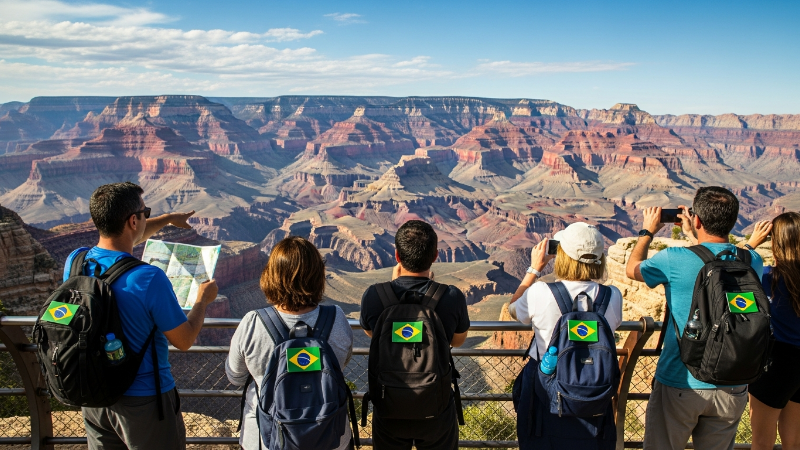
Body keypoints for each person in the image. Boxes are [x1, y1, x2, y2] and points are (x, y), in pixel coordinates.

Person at [66, 181, 218, 449]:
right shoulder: (148, 278)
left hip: (94, 395)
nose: (146, 217)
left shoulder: (76, 261)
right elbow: (184, 340)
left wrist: (169, 219)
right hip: (145, 401)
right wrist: (202, 301)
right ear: (133, 221)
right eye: (144, 212)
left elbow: (130, 236)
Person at [625, 187, 763, 450]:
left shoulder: (673, 259)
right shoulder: (752, 260)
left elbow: (632, 269)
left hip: (681, 380)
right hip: (732, 383)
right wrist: (694, 234)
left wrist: (647, 232)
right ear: (733, 221)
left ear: (697, 219)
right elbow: (716, 258)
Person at [226, 236, 354, 450]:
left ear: (271, 276)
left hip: (265, 441)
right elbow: (341, 363)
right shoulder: (337, 318)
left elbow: (235, 377)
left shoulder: (253, 322)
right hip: (330, 438)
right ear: (318, 276)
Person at [509, 222, 623, 448]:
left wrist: (534, 269)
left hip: (545, 385)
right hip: (594, 385)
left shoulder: (540, 292)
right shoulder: (613, 296)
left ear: (562, 256)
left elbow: (514, 308)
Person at [359, 220, 469, 450]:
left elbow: (373, 335)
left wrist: (391, 287)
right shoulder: (451, 296)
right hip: (435, 411)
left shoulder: (373, 296)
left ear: (397, 256)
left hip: (389, 408)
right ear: (436, 255)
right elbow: (457, 341)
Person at [746, 213, 800, 450]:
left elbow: (724, 266)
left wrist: (751, 244)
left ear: (774, 242)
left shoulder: (767, 278)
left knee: (762, 443)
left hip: (776, 363)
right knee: (794, 442)